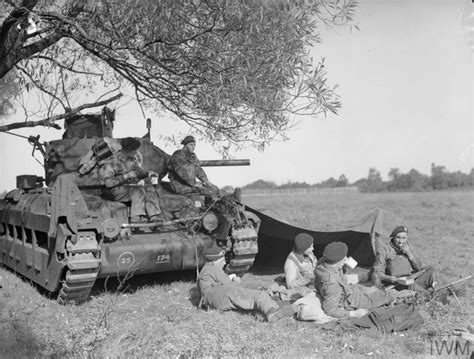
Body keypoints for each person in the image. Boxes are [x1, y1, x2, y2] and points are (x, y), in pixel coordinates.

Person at [198, 245, 296, 323]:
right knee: (258, 295)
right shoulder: (214, 268)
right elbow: (229, 286)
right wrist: (236, 281)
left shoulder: (206, 269)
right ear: (214, 261)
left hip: (213, 300)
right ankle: (273, 314)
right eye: (222, 260)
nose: (224, 263)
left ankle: (268, 315)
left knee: (248, 306)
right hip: (220, 294)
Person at [314, 242, 397, 319]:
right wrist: (353, 314)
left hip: (349, 290)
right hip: (351, 301)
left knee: (371, 281)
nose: (346, 259)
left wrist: (343, 267)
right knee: (390, 294)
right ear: (337, 261)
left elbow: (340, 278)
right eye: (344, 258)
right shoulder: (331, 284)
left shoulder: (324, 263)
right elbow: (330, 310)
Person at [99, 137, 162, 223]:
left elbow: (140, 173)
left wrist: (148, 174)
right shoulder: (112, 161)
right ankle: (136, 218)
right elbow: (108, 183)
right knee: (138, 190)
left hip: (128, 188)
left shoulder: (132, 160)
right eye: (134, 150)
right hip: (114, 191)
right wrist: (125, 176)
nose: (136, 152)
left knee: (149, 187)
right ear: (127, 150)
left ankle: (154, 216)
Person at [371, 225, 440, 291]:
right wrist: (391, 279)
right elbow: (377, 273)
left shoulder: (408, 247)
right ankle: (426, 293)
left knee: (433, 270)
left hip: (411, 278)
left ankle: (434, 289)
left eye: (403, 238)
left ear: (407, 238)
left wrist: (409, 254)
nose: (401, 241)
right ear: (393, 237)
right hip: (396, 284)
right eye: (398, 237)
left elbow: (419, 268)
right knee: (416, 288)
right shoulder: (384, 250)